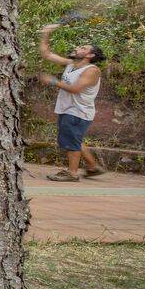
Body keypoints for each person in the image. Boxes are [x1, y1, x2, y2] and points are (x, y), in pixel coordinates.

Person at [37, 23, 107, 181]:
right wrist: (46, 33)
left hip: (78, 111)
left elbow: (76, 89)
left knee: (71, 141)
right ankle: (92, 167)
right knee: (74, 139)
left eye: (82, 48)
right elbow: (47, 54)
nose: (77, 48)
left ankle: (72, 173)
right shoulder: (71, 64)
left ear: (90, 55)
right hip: (68, 109)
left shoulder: (92, 70)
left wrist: (53, 81)